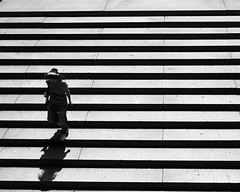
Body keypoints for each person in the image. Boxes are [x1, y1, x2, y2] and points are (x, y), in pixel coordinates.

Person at [44, 68, 72, 141]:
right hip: (53, 102)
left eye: (53, 78)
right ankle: (58, 119)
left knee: (62, 120)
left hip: (62, 103)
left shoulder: (63, 84)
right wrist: (46, 99)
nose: (51, 80)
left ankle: (64, 131)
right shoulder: (49, 82)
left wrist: (70, 101)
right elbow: (48, 90)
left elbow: (68, 92)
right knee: (50, 119)